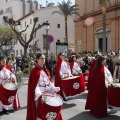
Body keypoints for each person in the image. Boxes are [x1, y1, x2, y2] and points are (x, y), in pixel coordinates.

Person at [26, 53, 62, 120]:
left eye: (44, 58)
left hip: (47, 93)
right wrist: (39, 94)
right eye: (41, 58)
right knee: (41, 113)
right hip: (40, 94)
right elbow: (35, 85)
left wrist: (54, 88)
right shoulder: (34, 71)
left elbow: (49, 82)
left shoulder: (46, 70)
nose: (43, 60)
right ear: (37, 59)